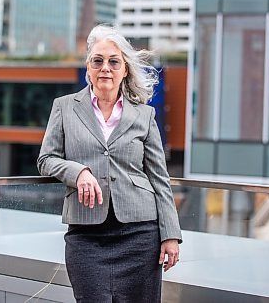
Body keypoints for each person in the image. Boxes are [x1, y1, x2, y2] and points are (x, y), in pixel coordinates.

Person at [37, 24, 182, 303]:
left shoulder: (144, 115)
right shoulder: (64, 107)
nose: (106, 67)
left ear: (124, 69)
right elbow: (46, 159)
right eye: (98, 60)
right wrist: (77, 172)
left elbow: (159, 178)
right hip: (86, 236)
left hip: (140, 235)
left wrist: (170, 235)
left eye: (114, 62)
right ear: (88, 67)